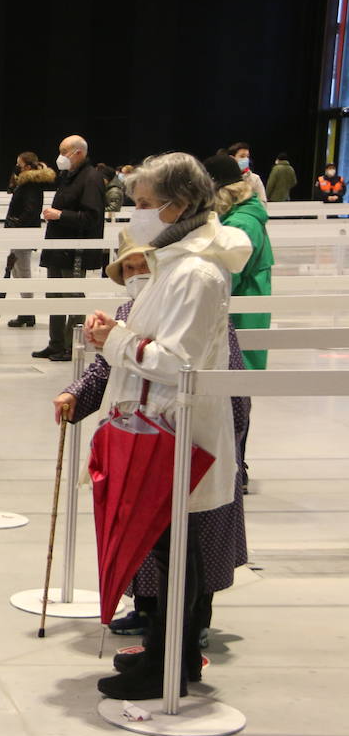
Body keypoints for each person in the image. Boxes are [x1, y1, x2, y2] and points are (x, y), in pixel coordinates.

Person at [68, 152, 251, 699]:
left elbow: (177, 361)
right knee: (170, 546)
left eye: (146, 204)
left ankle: (171, 662)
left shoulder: (196, 273)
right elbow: (148, 332)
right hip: (156, 422)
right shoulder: (172, 263)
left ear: (180, 205)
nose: (137, 214)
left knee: (178, 549)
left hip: (177, 428)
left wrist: (115, 343)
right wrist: (115, 333)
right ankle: (166, 652)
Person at [208, 153, 273, 495]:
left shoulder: (243, 223)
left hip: (240, 316)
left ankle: (237, 468)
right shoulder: (241, 216)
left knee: (235, 397)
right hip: (238, 313)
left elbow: (229, 272)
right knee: (233, 394)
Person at [36, 134, 105, 362]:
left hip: (76, 250)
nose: (61, 157)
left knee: (72, 295)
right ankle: (55, 343)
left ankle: (70, 346)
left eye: (64, 152)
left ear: (79, 153)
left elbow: (91, 217)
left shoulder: (91, 178)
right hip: (57, 247)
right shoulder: (68, 177)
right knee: (54, 295)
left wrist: (60, 215)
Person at [3, 152, 55, 327]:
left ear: (27, 166)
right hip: (19, 232)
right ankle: (26, 310)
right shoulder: (25, 182)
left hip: (23, 233)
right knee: (18, 270)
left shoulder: (31, 184)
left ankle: (27, 312)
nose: (16, 166)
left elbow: (30, 210)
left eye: (19, 163)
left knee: (22, 271)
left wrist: (16, 223)